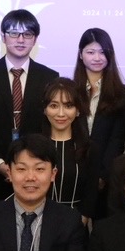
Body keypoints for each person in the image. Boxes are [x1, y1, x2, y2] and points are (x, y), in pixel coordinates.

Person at [0, 8, 60, 202]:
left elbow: (48, 127)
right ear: (3, 37)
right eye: (14, 33)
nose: (21, 40)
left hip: (34, 173)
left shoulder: (49, 77)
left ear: (35, 39)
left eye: (27, 34)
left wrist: (31, 166)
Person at [72, 28, 125, 218]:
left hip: (106, 178)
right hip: (73, 174)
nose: (97, 58)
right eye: (90, 52)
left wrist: (103, 175)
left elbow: (117, 139)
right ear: (81, 54)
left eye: (102, 52)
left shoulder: (121, 93)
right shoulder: (70, 91)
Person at [40, 79, 95, 213]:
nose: (61, 113)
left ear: (78, 110)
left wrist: (82, 218)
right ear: (45, 110)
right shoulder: (34, 146)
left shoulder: (89, 148)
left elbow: (91, 192)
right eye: (54, 106)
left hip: (76, 218)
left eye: (68, 106)